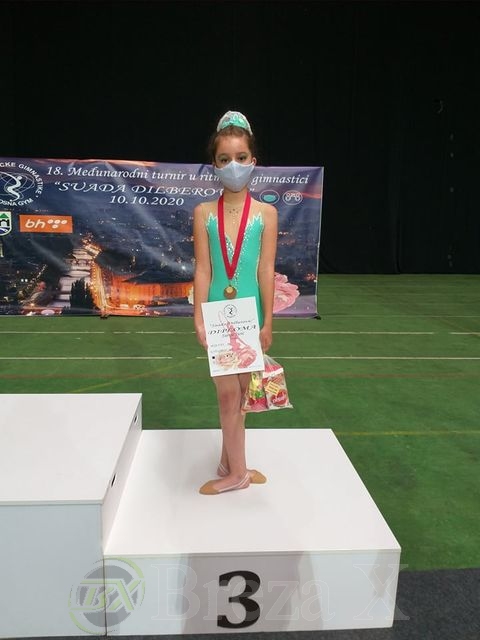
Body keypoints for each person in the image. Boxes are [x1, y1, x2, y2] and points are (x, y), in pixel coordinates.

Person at [193, 110, 278, 495]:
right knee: (227, 393)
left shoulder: (266, 214)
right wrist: (198, 317)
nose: (234, 166)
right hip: (218, 312)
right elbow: (203, 269)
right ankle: (238, 474)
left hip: (249, 313)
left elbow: (265, 270)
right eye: (225, 159)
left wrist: (268, 321)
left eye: (241, 157)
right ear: (215, 165)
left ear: (253, 160)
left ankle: (231, 463)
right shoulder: (203, 213)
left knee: (243, 394)